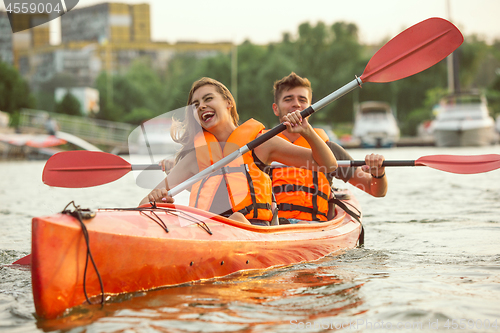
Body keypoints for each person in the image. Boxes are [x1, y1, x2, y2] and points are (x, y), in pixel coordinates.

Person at [140, 77, 338, 226]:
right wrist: (156, 197)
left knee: (237, 218)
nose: (201, 106)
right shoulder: (194, 159)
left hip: (254, 233)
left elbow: (328, 165)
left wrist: (308, 131)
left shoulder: (260, 143)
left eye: (208, 99)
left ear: (228, 103)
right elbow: (143, 205)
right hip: (209, 234)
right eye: (196, 104)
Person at [269, 72, 387, 224]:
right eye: (288, 99)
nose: (296, 104)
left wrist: (379, 173)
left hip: (314, 226)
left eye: (302, 100)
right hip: (271, 227)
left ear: (310, 107)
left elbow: (375, 190)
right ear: (276, 109)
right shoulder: (261, 148)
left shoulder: (330, 149)